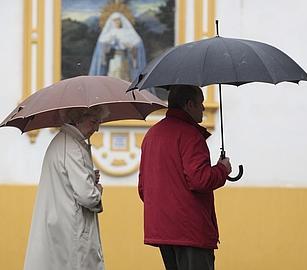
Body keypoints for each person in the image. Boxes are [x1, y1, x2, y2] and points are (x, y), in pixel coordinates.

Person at [138, 85, 233, 270]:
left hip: (162, 229)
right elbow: (200, 180)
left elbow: (143, 189)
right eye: (201, 104)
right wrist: (222, 169)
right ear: (189, 104)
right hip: (190, 231)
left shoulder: (152, 135)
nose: (204, 109)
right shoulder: (190, 135)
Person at [23, 106, 109, 270]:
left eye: (99, 122)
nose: (97, 128)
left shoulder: (63, 142)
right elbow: (88, 197)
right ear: (78, 118)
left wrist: (88, 175)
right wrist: (97, 189)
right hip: (71, 230)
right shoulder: (72, 147)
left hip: (62, 227)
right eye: (93, 122)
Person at [89, 12, 146, 81]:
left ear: (121, 21)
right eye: (114, 20)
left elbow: (135, 44)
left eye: (118, 20)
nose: (117, 22)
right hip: (114, 59)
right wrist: (107, 46)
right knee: (113, 77)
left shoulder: (127, 32)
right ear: (111, 21)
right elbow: (104, 47)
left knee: (125, 78)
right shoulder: (110, 33)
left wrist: (128, 45)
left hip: (125, 59)